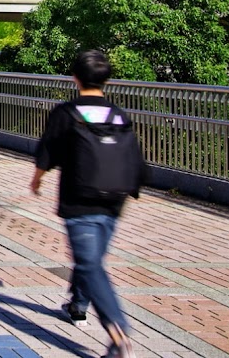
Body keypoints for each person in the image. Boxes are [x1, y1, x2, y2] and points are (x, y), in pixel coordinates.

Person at [31, 50, 144, 358]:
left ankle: (118, 335)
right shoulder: (119, 115)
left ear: (75, 78)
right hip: (114, 200)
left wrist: (37, 179)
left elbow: (47, 152)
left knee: (90, 264)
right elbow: (136, 159)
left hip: (79, 200)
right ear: (106, 79)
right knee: (91, 260)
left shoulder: (67, 113)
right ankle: (78, 304)